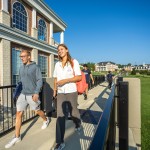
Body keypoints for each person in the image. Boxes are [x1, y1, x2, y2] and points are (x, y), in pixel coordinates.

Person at [5, 50, 50, 149]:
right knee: (18, 113)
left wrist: (36, 92)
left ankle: (46, 119)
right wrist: (17, 92)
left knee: (37, 111)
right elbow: (20, 82)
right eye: (21, 56)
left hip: (32, 94)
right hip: (23, 94)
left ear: (29, 57)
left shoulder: (35, 67)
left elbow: (39, 80)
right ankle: (17, 136)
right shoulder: (21, 68)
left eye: (23, 56)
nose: (22, 58)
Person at [53, 44, 82, 150]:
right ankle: (60, 142)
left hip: (71, 91)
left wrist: (66, 80)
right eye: (58, 50)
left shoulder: (74, 62)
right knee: (60, 116)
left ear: (66, 50)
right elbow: (55, 78)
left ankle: (77, 123)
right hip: (60, 93)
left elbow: (79, 77)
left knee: (73, 111)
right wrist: (55, 90)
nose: (59, 51)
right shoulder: (57, 64)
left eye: (61, 49)